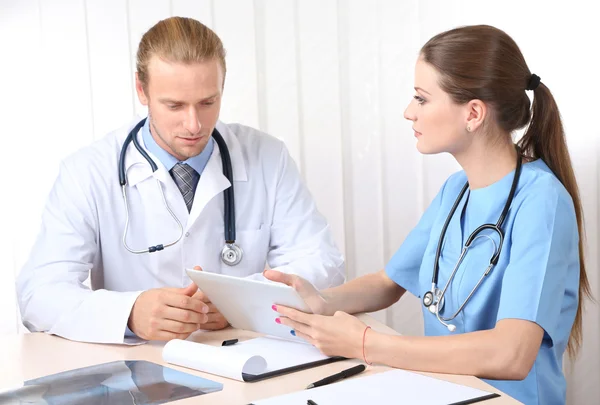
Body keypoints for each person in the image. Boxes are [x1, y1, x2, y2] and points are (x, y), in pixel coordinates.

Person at [266, 25, 590, 405]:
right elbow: (389, 282)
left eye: (421, 99)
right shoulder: (457, 190)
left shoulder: (540, 202)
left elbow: (512, 353)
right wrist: (320, 300)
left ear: (473, 113)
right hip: (442, 393)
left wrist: (368, 344)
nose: (408, 112)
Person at [16, 17, 344, 345]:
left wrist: (240, 300)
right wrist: (129, 312)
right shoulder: (87, 171)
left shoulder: (268, 157)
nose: (193, 124)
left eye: (207, 103)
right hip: (135, 367)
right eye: (174, 105)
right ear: (141, 90)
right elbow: (39, 293)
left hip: (242, 356)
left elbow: (322, 265)